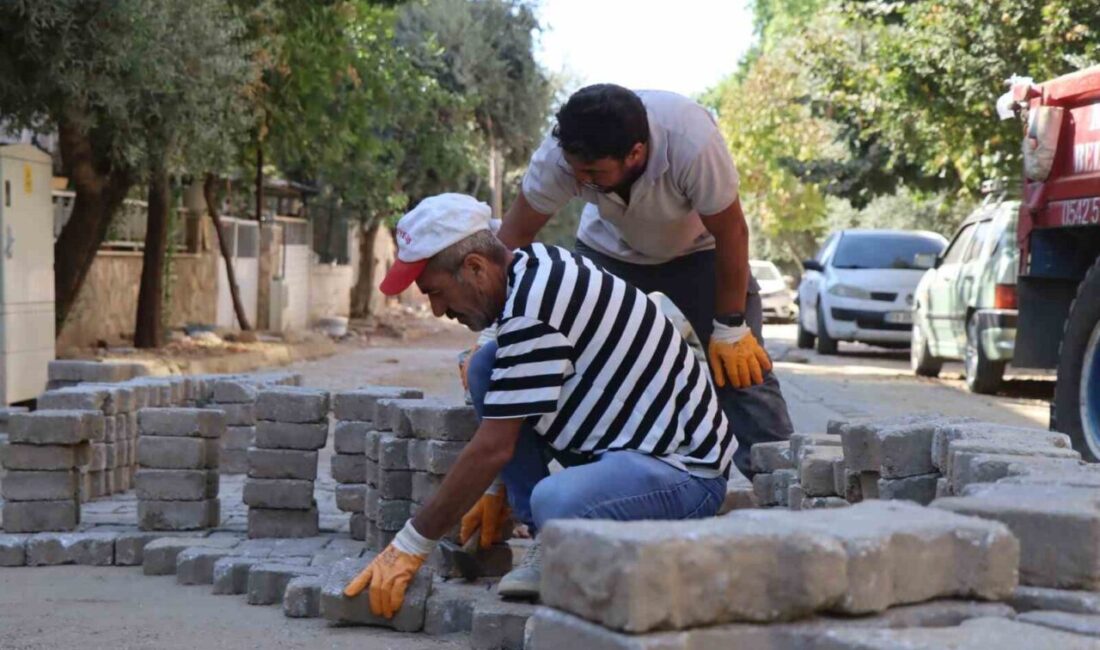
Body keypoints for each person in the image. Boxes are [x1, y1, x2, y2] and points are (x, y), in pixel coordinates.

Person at [344, 193, 734, 615]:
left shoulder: (536, 310)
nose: (439, 310)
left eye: (436, 292)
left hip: (685, 474)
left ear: (475, 267)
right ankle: (545, 535)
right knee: (485, 365)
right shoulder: (534, 266)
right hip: (627, 449)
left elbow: (494, 447)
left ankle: (555, 538)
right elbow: (512, 398)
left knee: (556, 501)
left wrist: (410, 545)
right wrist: (498, 487)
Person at [470, 84, 794, 481]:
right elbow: (512, 240)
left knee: (742, 370)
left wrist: (730, 325)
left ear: (636, 153)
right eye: (576, 170)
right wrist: (495, 329)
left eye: (594, 173)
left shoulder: (692, 141)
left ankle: (784, 484)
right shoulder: (559, 159)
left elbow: (732, 231)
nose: (581, 179)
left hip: (701, 252)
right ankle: (584, 483)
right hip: (608, 251)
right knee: (573, 360)